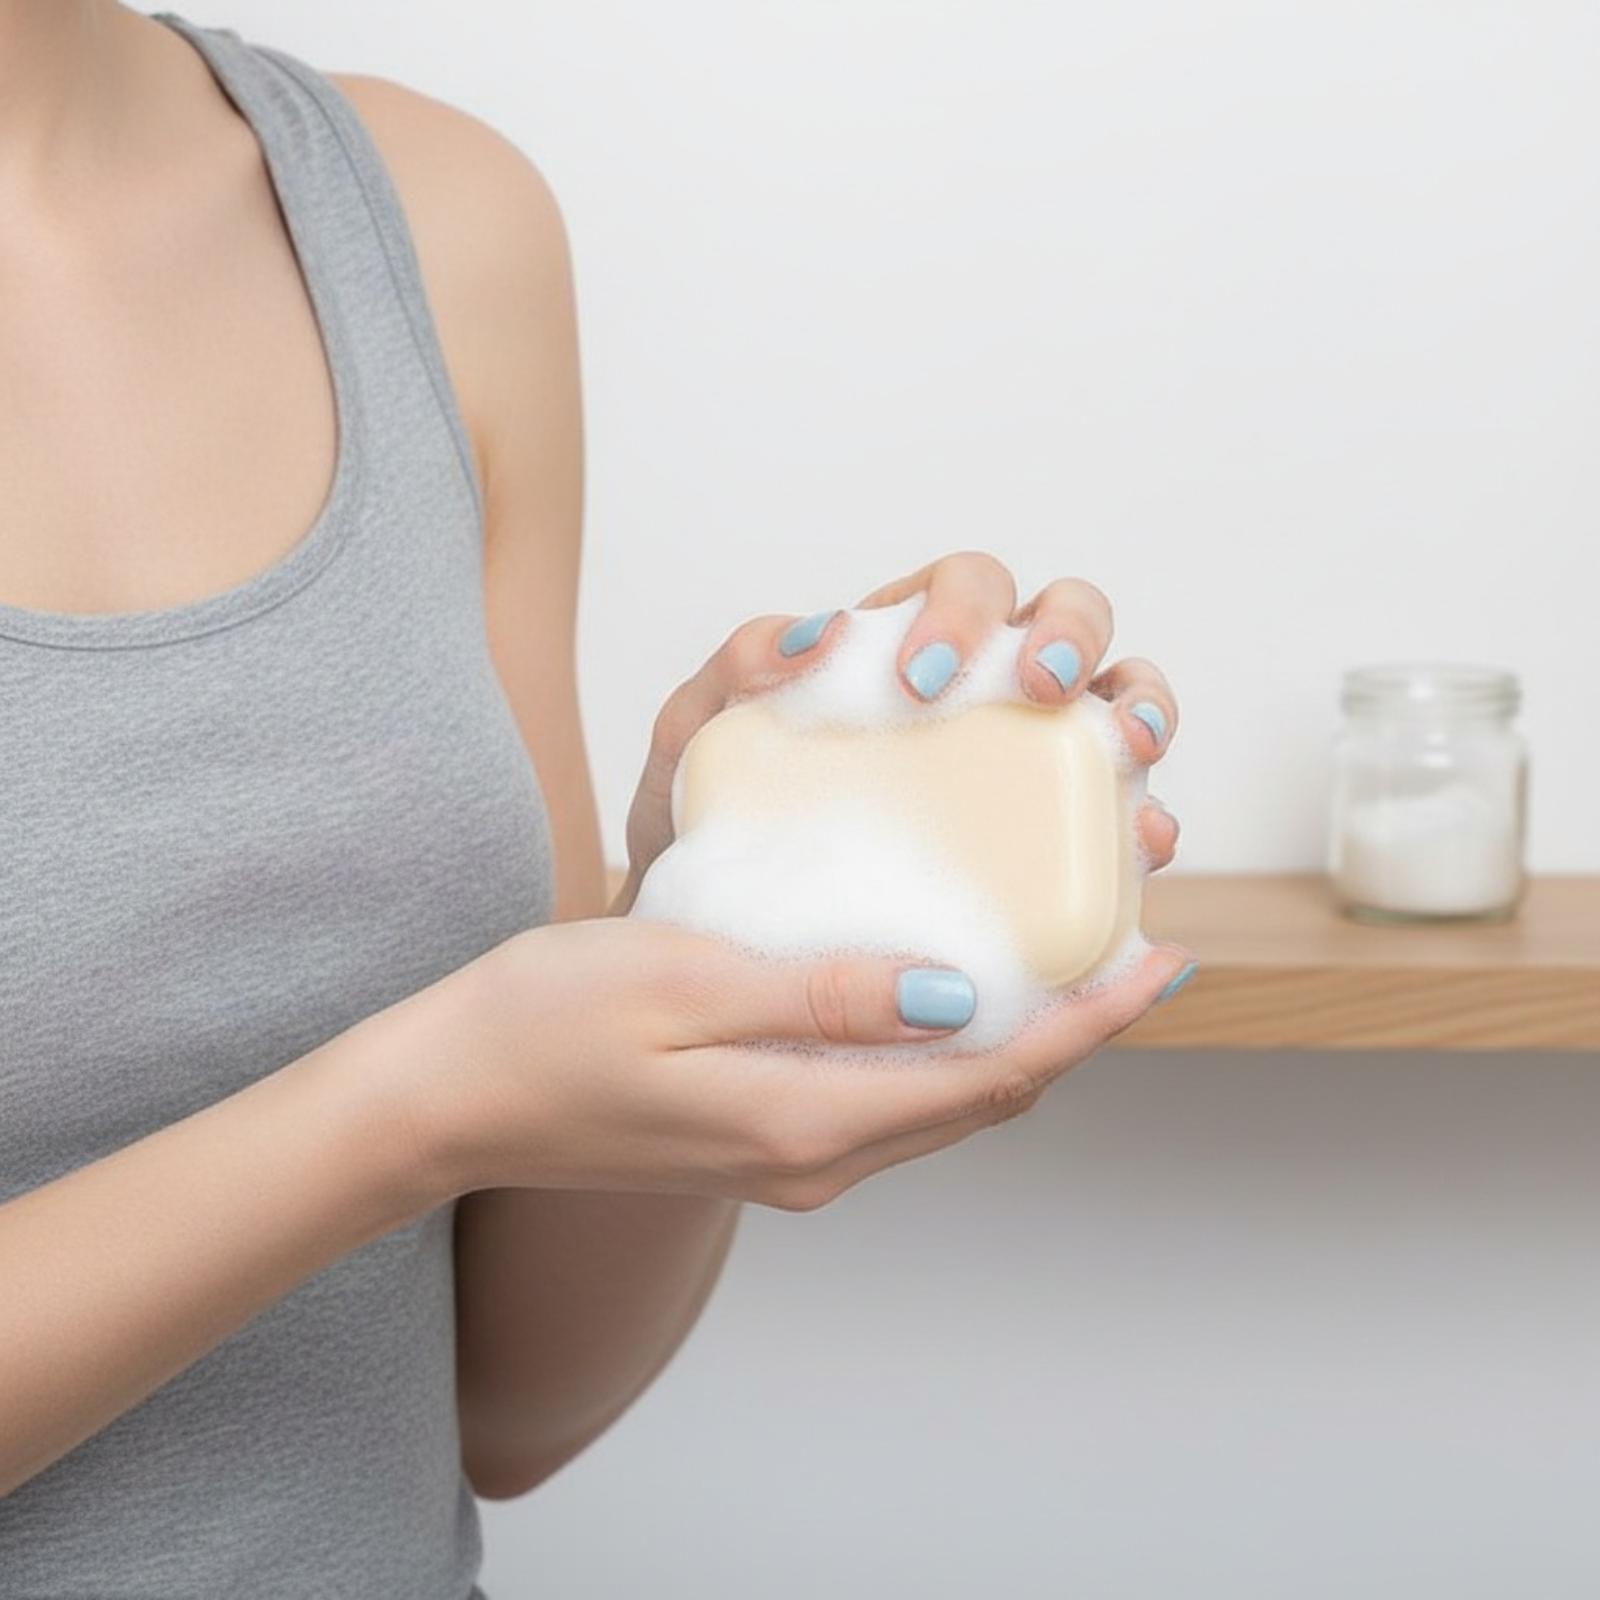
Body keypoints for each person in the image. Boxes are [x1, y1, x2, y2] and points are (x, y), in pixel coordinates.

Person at [0, 4, 1194, 1593]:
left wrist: (719, 920)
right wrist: (404, 1112)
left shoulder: (428, 221)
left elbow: (513, 1402)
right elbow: (431, 1106)